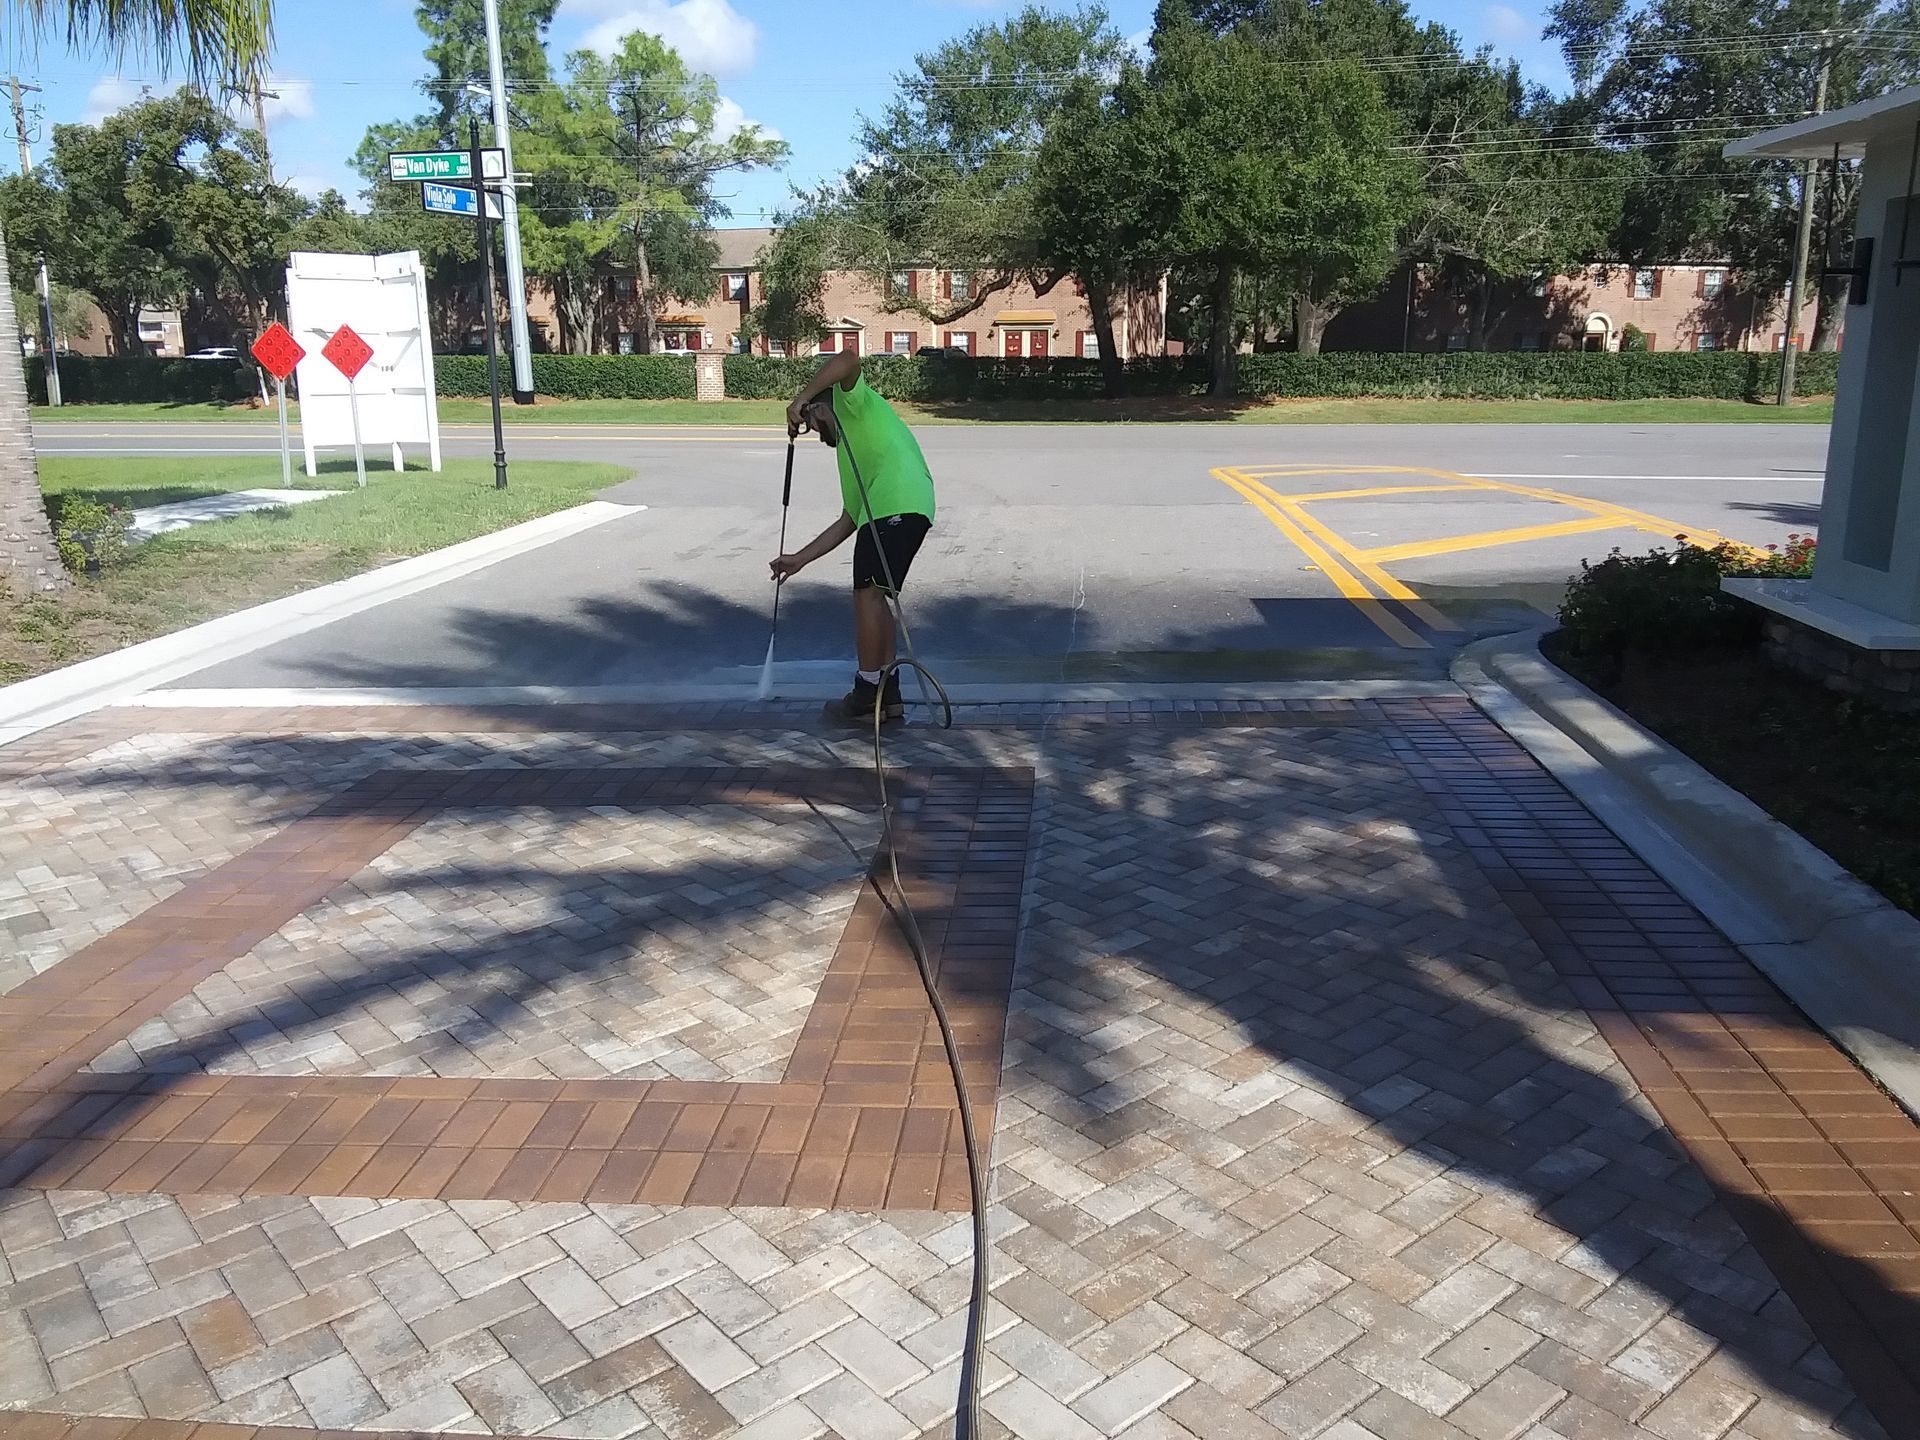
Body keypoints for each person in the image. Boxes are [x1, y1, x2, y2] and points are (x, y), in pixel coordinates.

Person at [770, 349, 937, 725]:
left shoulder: (851, 403)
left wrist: (799, 399)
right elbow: (849, 518)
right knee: (877, 595)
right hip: (896, 509)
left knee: (867, 593)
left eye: (812, 422)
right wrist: (800, 558)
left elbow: (847, 358)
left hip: (899, 502)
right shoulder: (848, 452)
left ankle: (866, 691)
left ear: (821, 408)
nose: (814, 432)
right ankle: (888, 693)